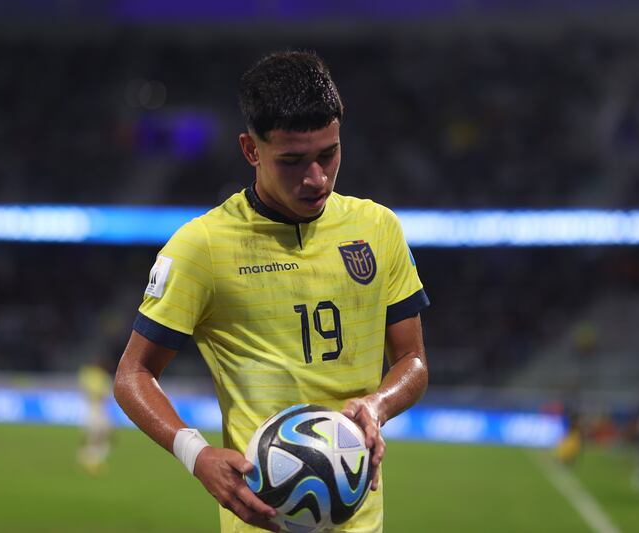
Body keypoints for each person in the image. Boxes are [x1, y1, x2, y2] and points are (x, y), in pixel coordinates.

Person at [113, 50, 430, 533]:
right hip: (259, 522)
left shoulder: (378, 228)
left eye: (329, 154)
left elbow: (413, 361)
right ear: (250, 149)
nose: (316, 178)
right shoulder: (203, 248)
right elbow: (133, 374)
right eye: (293, 160)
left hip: (363, 522)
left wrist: (377, 404)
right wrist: (196, 455)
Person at [77, 357, 114, 475]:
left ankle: (89, 458)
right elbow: (97, 392)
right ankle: (91, 461)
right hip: (94, 409)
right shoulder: (92, 375)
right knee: (96, 436)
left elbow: (106, 394)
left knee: (104, 435)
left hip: (102, 409)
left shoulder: (100, 376)